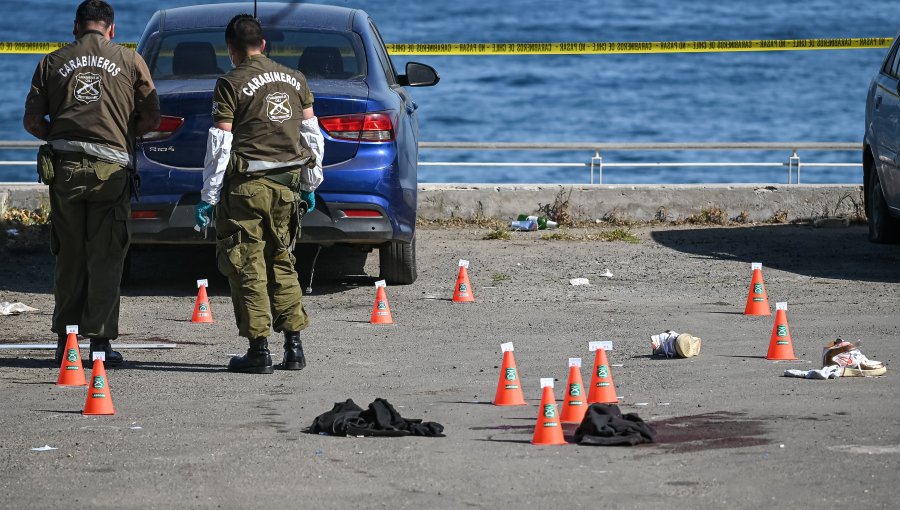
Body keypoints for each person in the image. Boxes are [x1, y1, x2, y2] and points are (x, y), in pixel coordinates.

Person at [23, 0, 160, 365]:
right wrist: (125, 134)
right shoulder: (130, 60)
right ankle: (100, 343)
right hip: (111, 171)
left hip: (65, 171)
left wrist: (60, 133)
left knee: (69, 255)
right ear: (111, 29)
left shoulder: (51, 61)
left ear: (76, 27)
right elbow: (151, 113)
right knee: (106, 256)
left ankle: (66, 343)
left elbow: (32, 121)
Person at [195, 14, 324, 374]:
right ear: (264, 44)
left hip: (246, 190)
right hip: (287, 187)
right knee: (283, 260)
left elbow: (221, 143)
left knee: (247, 264)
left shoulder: (230, 82)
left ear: (231, 50)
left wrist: (209, 195)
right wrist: (311, 181)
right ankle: (294, 348)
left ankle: (259, 351)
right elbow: (313, 137)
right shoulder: (295, 79)